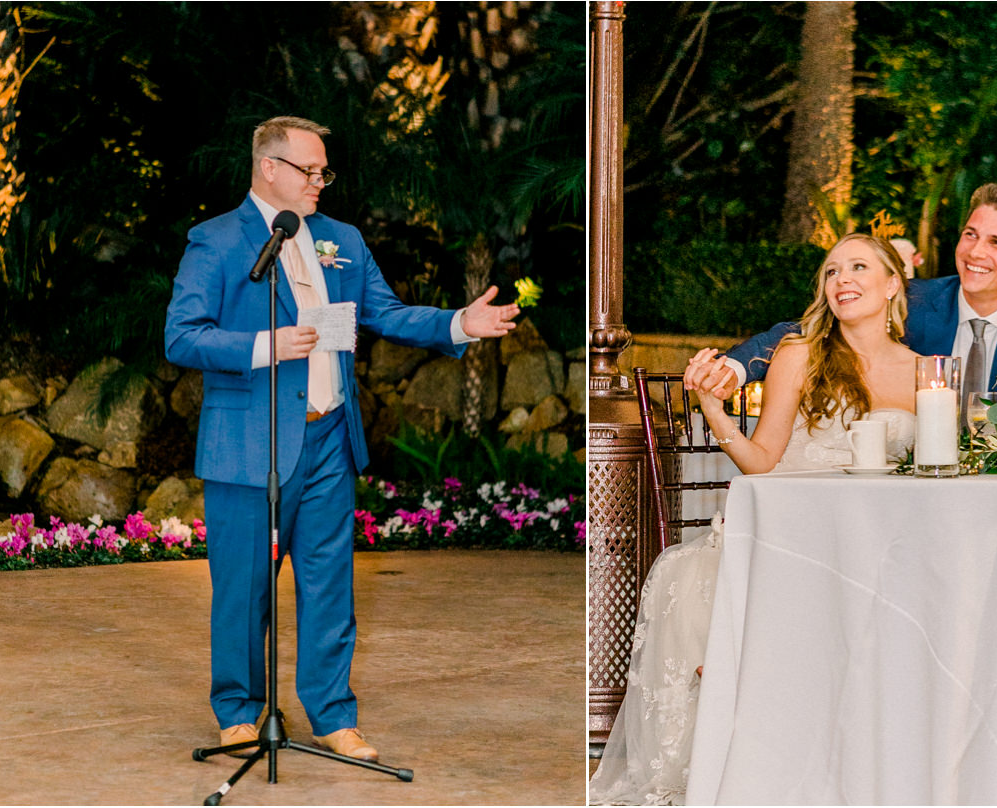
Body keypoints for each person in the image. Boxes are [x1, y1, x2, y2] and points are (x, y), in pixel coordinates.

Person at [164, 116, 519, 761]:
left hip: (329, 438)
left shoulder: (341, 239)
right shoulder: (216, 241)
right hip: (251, 444)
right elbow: (182, 334)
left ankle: (332, 715)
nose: (321, 182)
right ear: (269, 168)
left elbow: (385, 312)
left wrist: (458, 323)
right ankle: (239, 710)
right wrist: (264, 346)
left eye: (325, 170)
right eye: (310, 170)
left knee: (330, 584)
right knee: (244, 585)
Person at [589, 234, 917, 805]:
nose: (842, 279)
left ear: (893, 284)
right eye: (832, 271)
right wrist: (716, 413)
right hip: (789, 533)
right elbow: (762, 462)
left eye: (859, 267)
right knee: (691, 580)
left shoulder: (926, 373)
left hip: (874, 543)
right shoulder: (802, 354)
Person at [713, 184, 997, 409]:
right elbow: (808, 329)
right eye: (971, 234)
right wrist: (735, 367)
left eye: (996, 243)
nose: (975, 252)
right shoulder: (913, 300)